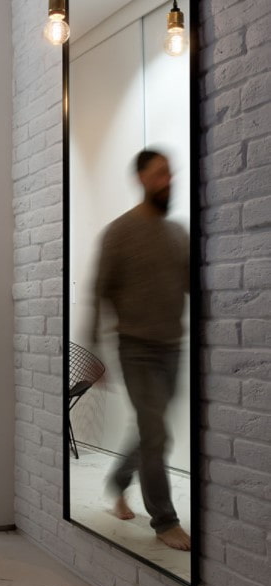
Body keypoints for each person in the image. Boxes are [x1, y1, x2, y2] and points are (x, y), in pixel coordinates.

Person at [92, 149, 191, 551]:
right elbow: (99, 291)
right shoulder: (119, 232)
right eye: (160, 174)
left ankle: (117, 482)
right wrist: (96, 354)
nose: (168, 180)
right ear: (141, 179)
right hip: (135, 348)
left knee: (150, 431)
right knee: (156, 432)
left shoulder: (177, 234)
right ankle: (164, 520)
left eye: (170, 173)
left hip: (172, 346)